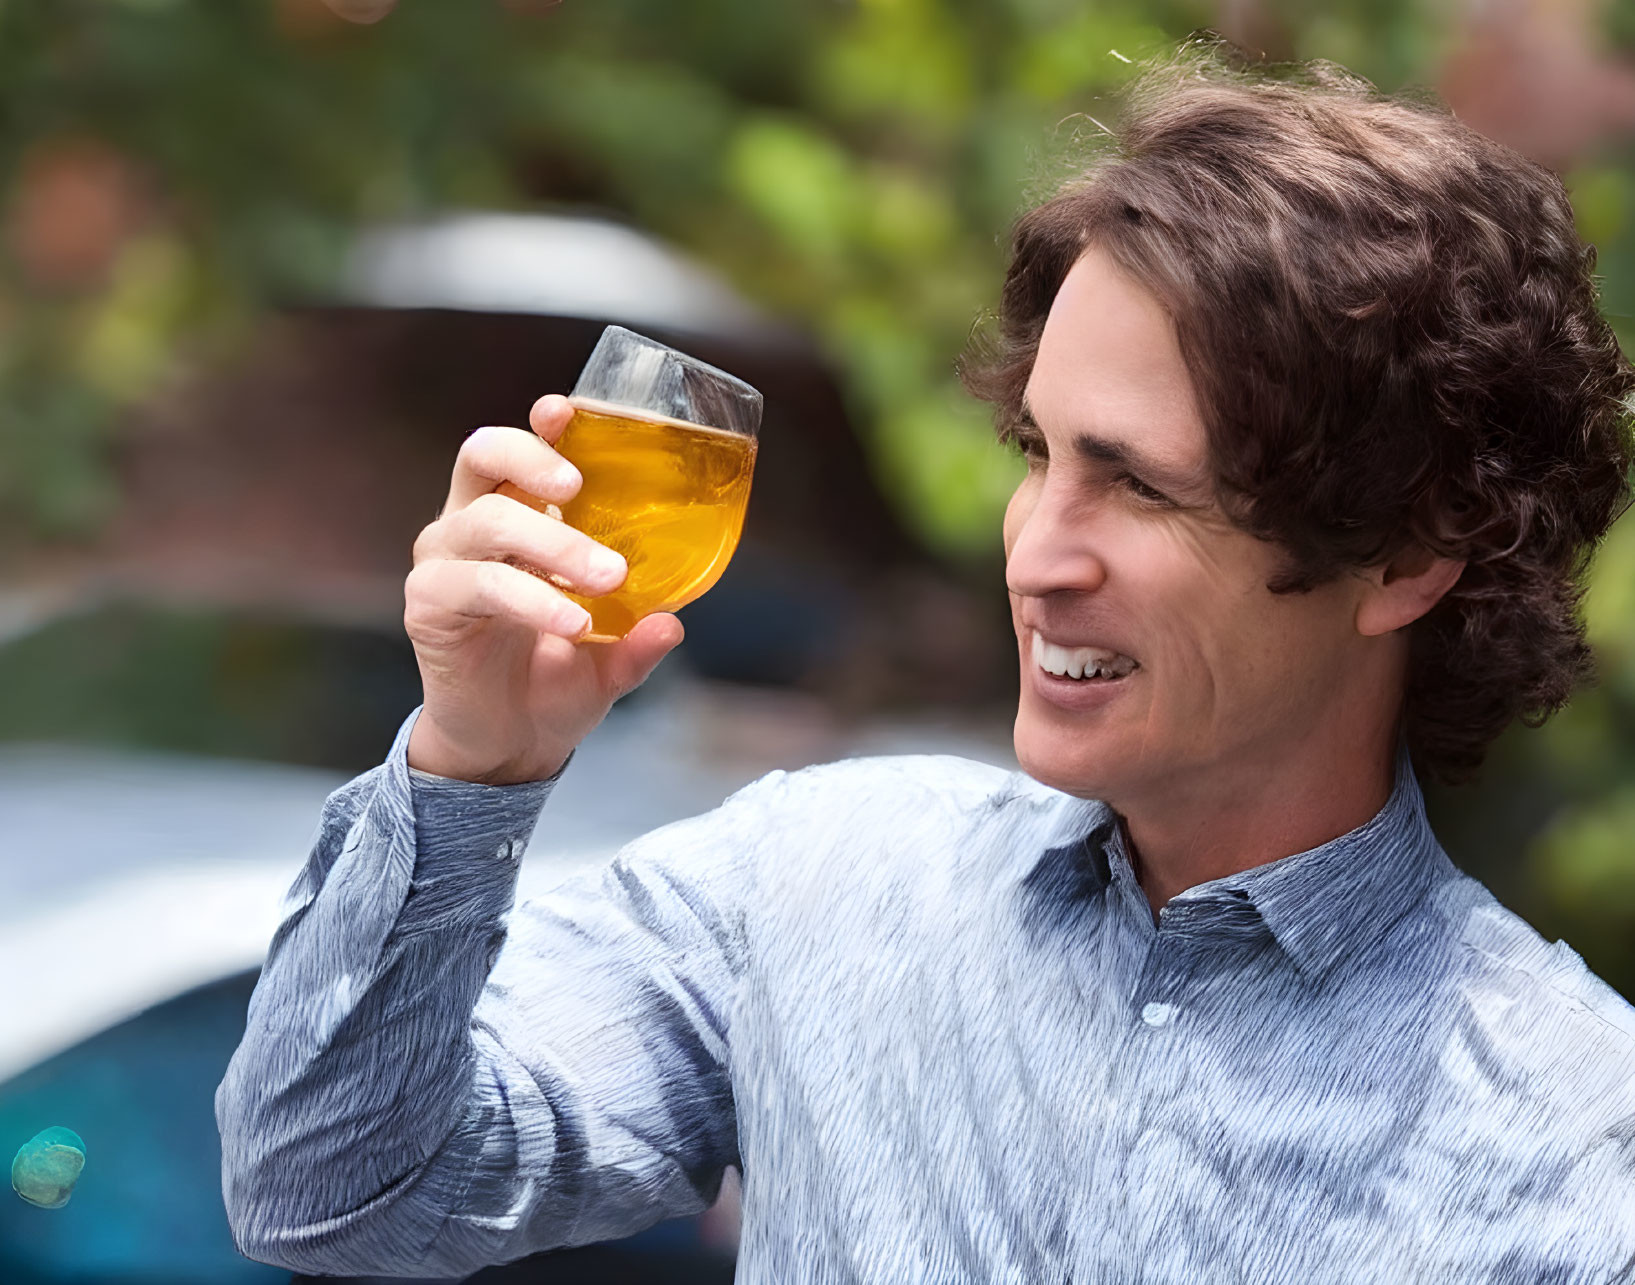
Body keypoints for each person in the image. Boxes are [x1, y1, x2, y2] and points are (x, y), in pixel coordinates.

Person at [217, 50, 1635, 1283]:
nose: (1035, 554)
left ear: (1404, 558)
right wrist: (471, 767)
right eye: (1041, 454)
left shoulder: (1577, 1151)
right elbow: (329, 1190)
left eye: (1138, 486)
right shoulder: (819, 884)